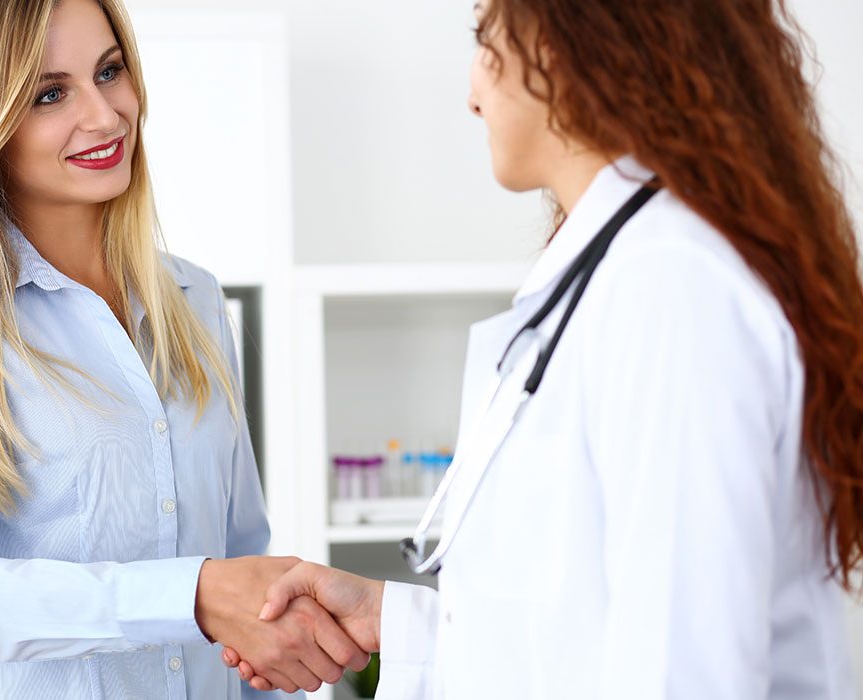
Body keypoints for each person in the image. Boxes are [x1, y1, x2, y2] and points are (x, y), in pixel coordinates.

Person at [223, 0, 863, 697]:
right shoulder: (620, 273)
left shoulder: (670, 286)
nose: (472, 93)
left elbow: (688, 673)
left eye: (485, 40)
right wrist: (390, 620)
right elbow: (578, 634)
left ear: (565, 41)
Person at [0, 0, 367, 697]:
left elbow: (244, 556)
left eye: (110, 71)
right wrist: (190, 595)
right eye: (50, 93)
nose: (104, 115)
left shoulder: (197, 302)